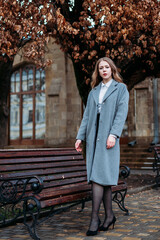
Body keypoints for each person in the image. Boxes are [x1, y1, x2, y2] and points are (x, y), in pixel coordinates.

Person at [75, 57, 129, 236]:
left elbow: (121, 114)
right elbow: (87, 117)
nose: (104, 70)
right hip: (93, 139)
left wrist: (113, 134)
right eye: (100, 68)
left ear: (112, 69)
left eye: (107, 67)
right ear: (97, 72)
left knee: (99, 177)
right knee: (103, 179)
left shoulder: (120, 89)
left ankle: (94, 219)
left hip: (108, 140)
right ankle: (109, 216)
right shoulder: (93, 92)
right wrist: (79, 137)